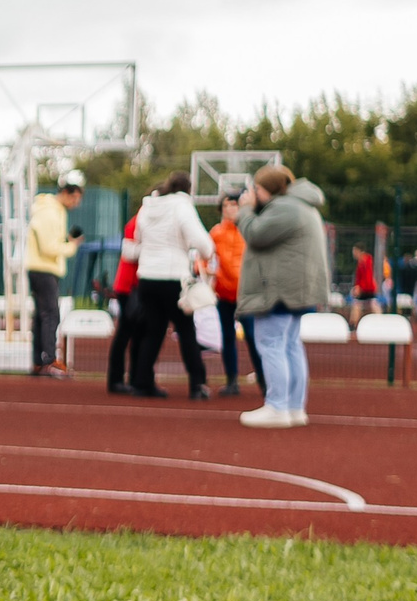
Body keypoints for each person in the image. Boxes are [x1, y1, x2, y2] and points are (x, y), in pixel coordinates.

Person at [235, 164, 327, 427]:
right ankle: (294, 407)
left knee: (272, 344)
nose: (255, 194)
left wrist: (244, 210)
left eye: (258, 189)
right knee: (290, 345)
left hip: (279, 290)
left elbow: (255, 234)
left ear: (269, 190)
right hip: (295, 288)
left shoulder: (285, 207)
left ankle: (277, 407)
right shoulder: (301, 205)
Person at [128, 171, 216, 399]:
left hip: (147, 276)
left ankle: (141, 382)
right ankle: (197, 384)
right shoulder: (181, 205)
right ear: (188, 189)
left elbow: (138, 237)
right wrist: (207, 251)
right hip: (172, 276)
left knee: (153, 331)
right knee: (186, 330)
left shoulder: (147, 206)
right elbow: (200, 240)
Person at [27, 168, 85, 378]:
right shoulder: (49, 212)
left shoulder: (52, 211)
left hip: (43, 269)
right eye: (76, 198)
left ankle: (39, 361)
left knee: (43, 316)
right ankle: (48, 360)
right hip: (43, 269)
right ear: (68, 194)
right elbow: (49, 248)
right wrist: (71, 246)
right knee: (50, 314)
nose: (76, 204)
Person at [210, 191, 248, 397]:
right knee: (227, 337)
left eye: (234, 205)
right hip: (224, 292)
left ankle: (264, 379)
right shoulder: (216, 232)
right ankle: (232, 380)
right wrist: (204, 270)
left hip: (247, 294)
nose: (230, 209)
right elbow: (204, 256)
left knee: (253, 337)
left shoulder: (249, 230)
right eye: (226, 206)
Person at [104, 213, 142, 394]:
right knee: (126, 332)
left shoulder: (140, 219)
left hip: (133, 285)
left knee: (134, 333)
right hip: (129, 286)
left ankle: (132, 377)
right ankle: (117, 379)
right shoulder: (138, 221)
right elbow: (129, 252)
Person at [350, 247, 380, 323]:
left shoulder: (365, 261)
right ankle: (354, 324)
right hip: (366, 288)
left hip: (366, 288)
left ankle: (353, 325)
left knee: (358, 305)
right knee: (371, 305)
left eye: (354, 251)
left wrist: (360, 287)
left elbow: (367, 276)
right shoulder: (362, 261)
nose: (353, 253)